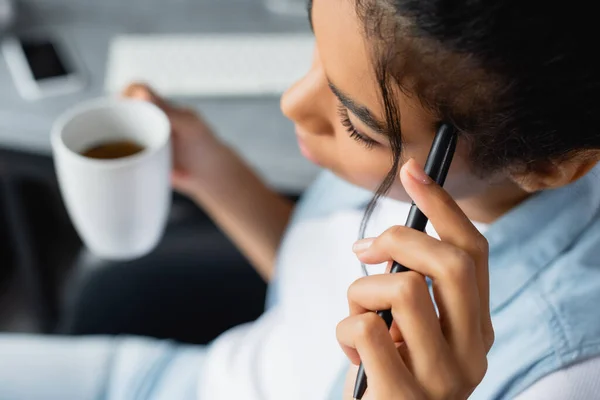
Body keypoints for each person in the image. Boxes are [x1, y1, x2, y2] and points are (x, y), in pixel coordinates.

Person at [2, 0, 600, 398]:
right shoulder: (426, 178)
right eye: (316, 49)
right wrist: (214, 171)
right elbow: (316, 295)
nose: (293, 102)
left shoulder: (561, 371)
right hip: (185, 381)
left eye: (358, 123)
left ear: (545, 166)